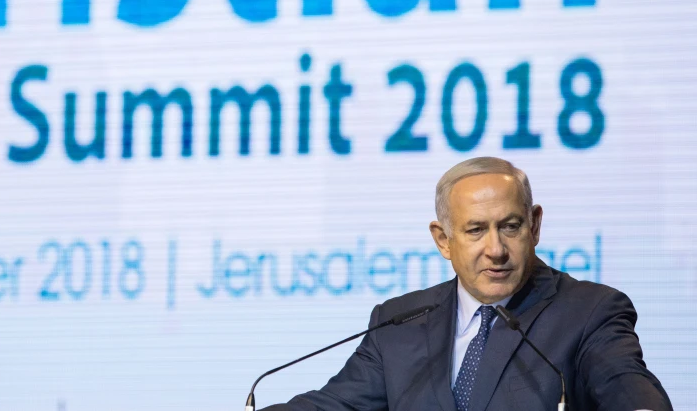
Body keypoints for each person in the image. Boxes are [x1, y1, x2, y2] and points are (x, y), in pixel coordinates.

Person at [262, 157, 672, 411]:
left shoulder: (589, 311)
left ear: (534, 225)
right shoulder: (398, 322)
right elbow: (334, 406)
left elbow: (623, 381)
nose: (496, 249)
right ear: (443, 239)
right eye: (476, 230)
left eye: (510, 227)